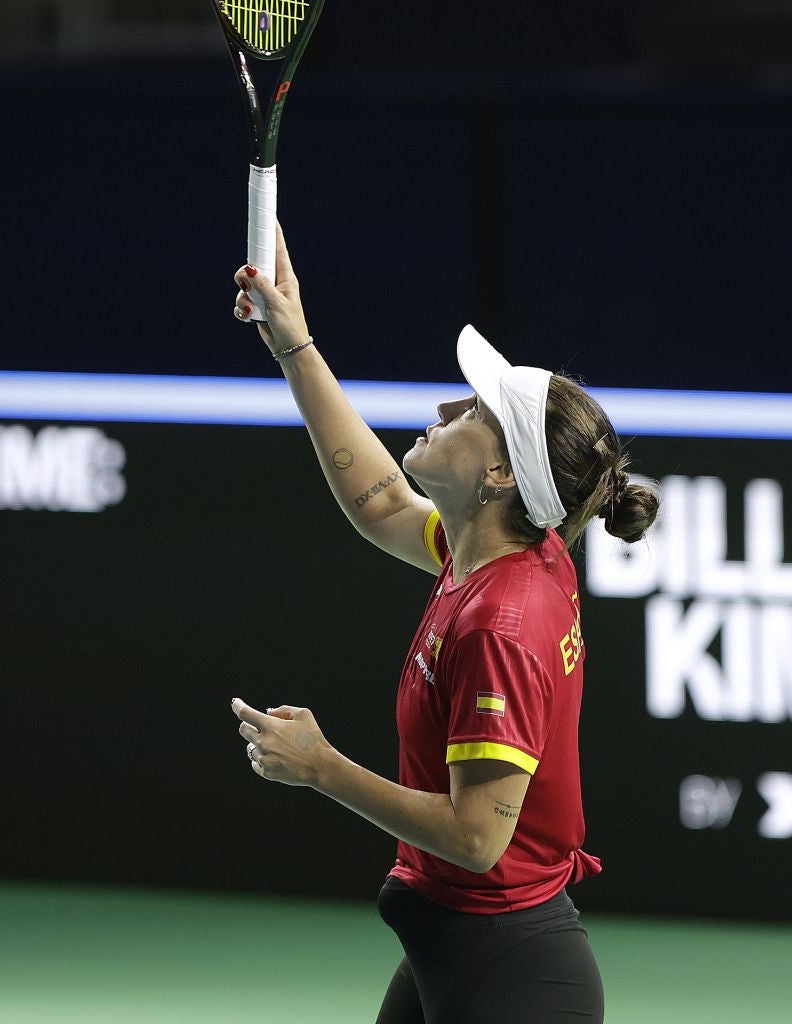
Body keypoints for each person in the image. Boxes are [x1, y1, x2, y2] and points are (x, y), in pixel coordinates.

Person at [227, 226, 659, 1023]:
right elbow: (384, 504)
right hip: (454, 951)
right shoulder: (500, 551)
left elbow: (474, 838)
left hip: (510, 973)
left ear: (499, 475)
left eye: (473, 410)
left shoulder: (502, 623)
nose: (445, 405)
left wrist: (321, 765)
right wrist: (295, 344)